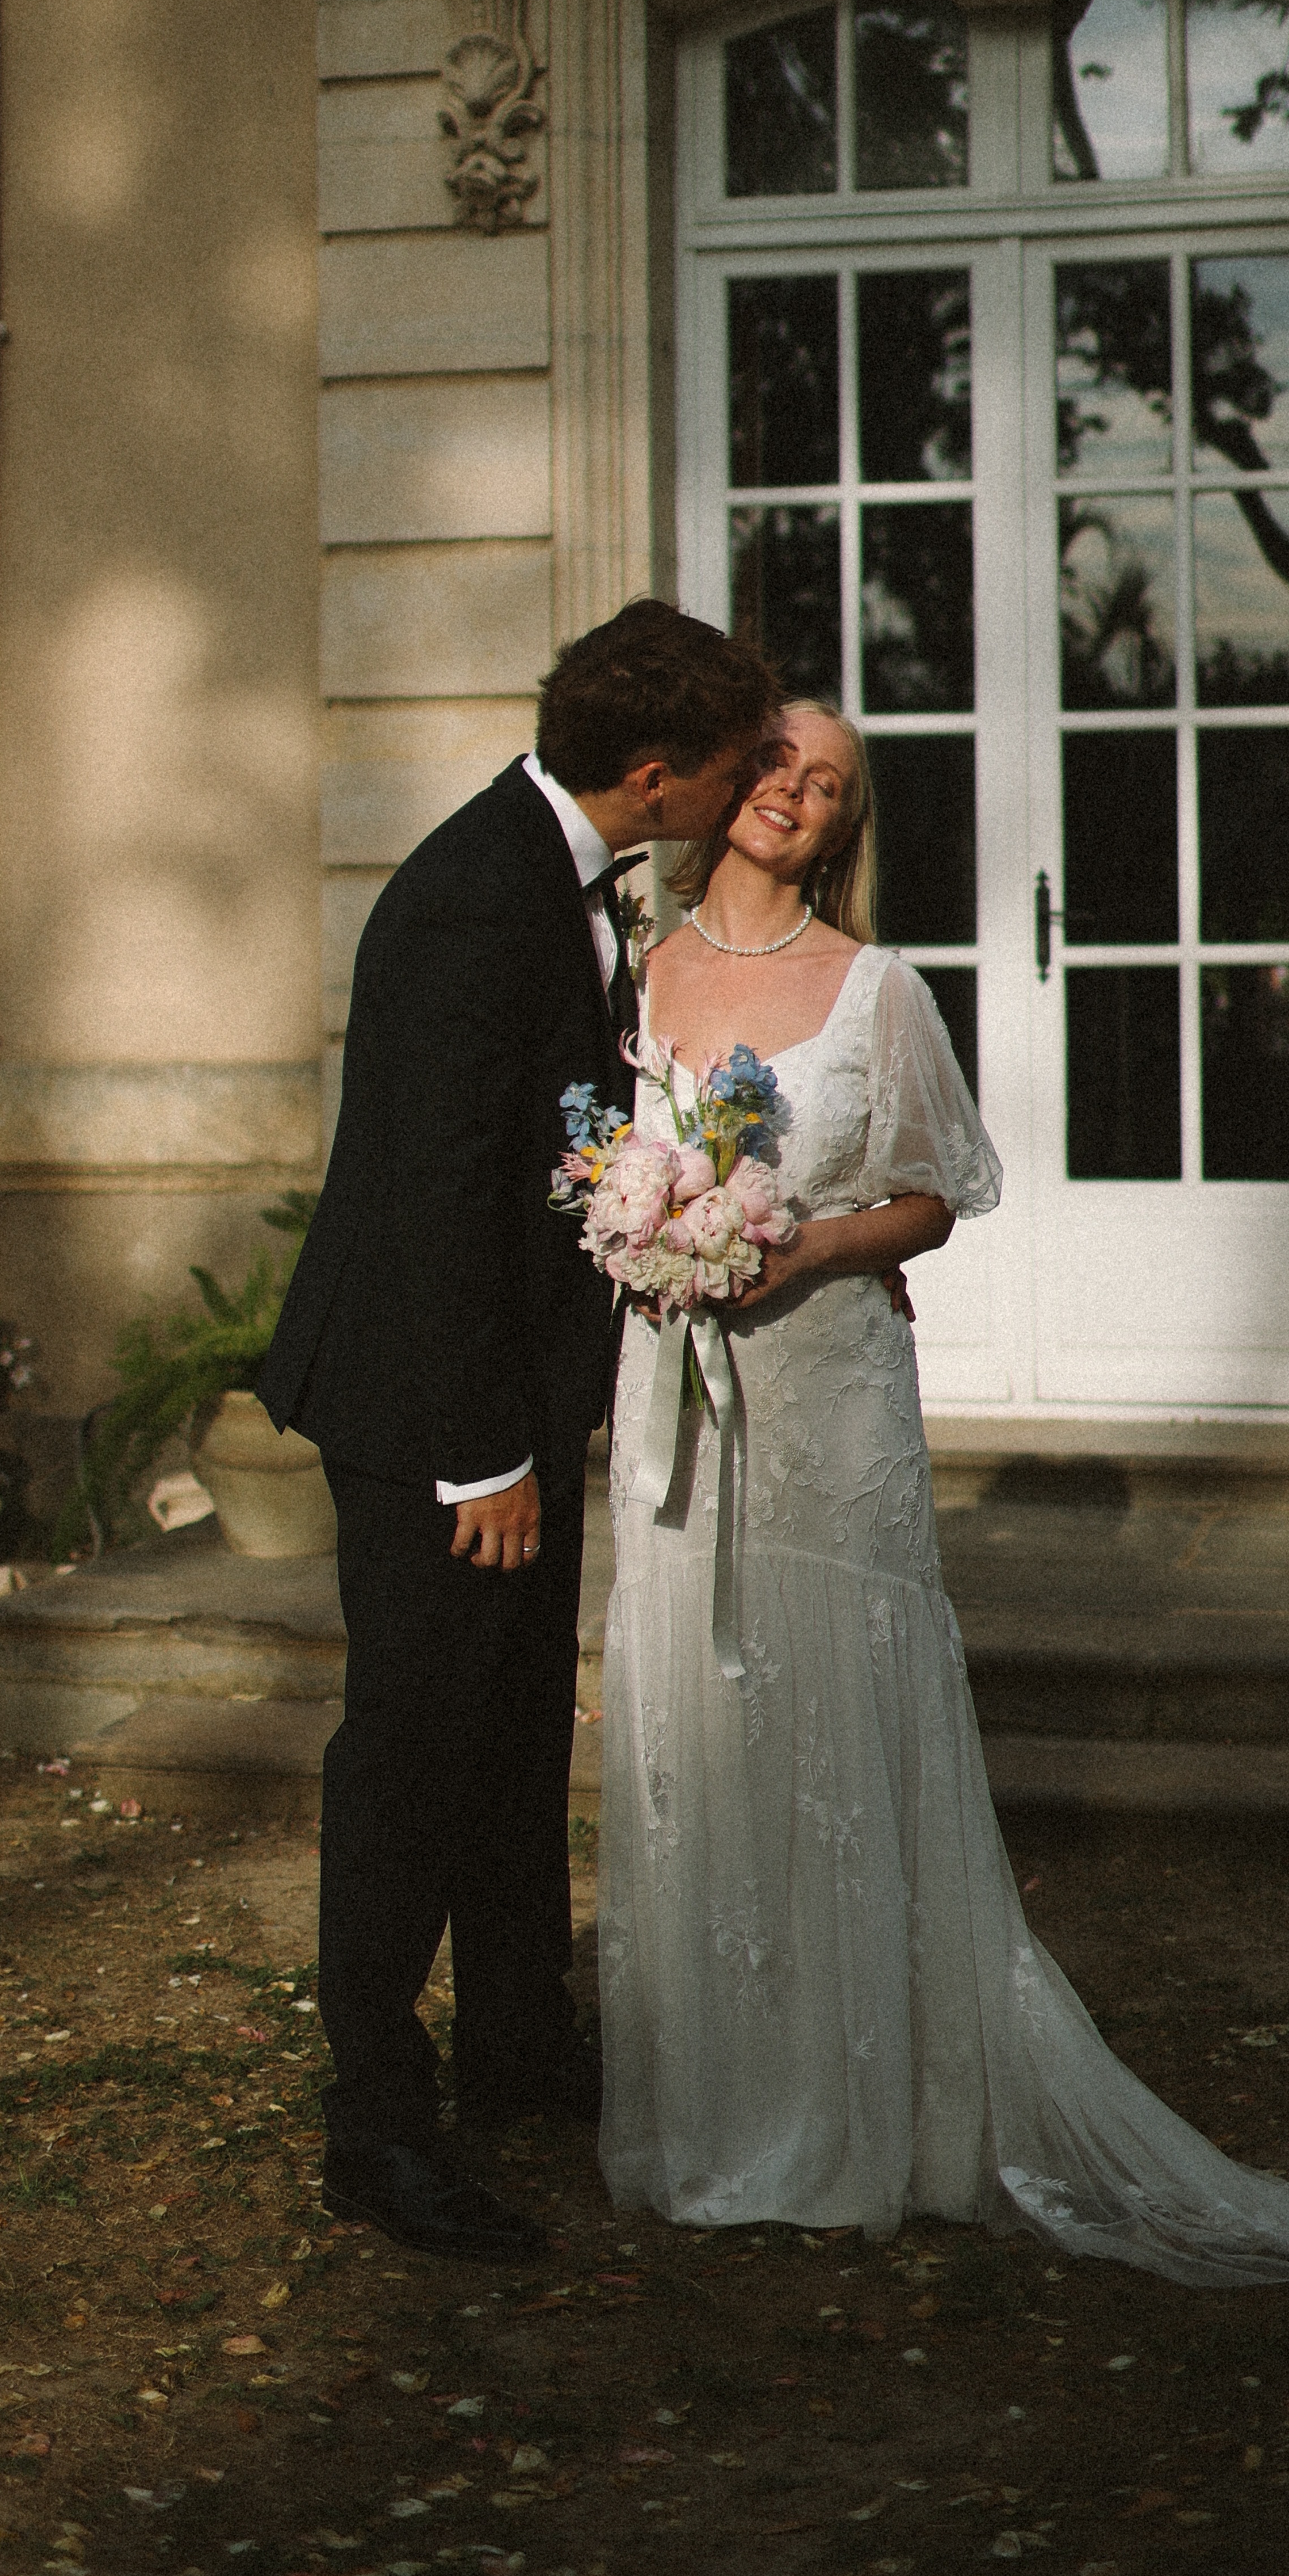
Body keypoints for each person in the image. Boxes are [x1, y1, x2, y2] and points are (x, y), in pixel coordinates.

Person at [596, 702, 1289, 2372]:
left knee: (836, 1720)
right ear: (724, 779)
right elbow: (605, 1163)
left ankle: (867, 2114)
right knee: (701, 1720)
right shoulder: (638, 971)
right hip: (680, 1403)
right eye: (779, 766)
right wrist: (651, 1235)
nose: (796, 799)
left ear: (841, 825)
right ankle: (722, 2101)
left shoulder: (879, 986)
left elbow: (938, 1194)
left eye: (830, 790)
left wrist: (793, 1249)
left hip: (829, 1401)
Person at [257, 598, 781, 2262]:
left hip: (507, 1400)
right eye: (730, 765)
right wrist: (482, 1452)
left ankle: (513, 2042)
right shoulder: (474, 900)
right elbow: (434, 1202)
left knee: (505, 1736)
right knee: (410, 1754)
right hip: (432, 1410)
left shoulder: (558, 876)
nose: (748, 786)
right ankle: (376, 2123)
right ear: (652, 775)